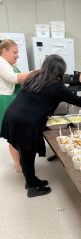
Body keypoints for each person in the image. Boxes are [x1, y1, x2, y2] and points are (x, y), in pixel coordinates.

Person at [1, 54, 81, 198]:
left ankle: (31, 180)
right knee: (27, 153)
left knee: (25, 152)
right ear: (59, 71)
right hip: (25, 122)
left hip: (13, 116)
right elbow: (79, 101)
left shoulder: (35, 77)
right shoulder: (56, 86)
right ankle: (32, 186)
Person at [0, 39, 29, 172]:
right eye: (14, 52)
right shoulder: (1, 62)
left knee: (17, 134)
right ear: (4, 51)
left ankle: (21, 161)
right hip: (7, 101)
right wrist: (37, 72)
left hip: (14, 100)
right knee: (13, 136)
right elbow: (13, 78)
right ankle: (18, 166)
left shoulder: (9, 63)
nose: (17, 55)